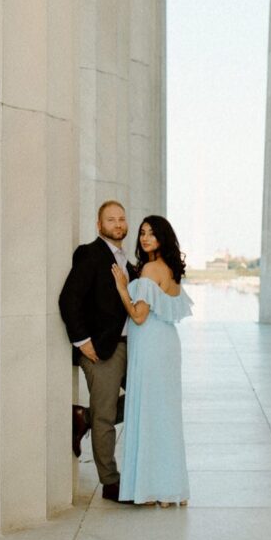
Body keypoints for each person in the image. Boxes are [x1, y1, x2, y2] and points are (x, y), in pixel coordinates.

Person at [112, 215, 193, 507]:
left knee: (148, 413)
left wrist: (123, 287)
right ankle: (171, 489)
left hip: (150, 347)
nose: (145, 238)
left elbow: (138, 315)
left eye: (152, 234)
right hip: (167, 345)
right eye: (143, 233)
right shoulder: (171, 269)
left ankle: (148, 489)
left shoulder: (149, 269)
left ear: (163, 238)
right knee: (165, 415)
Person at [58, 200, 136, 502]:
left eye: (121, 219)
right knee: (106, 417)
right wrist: (82, 341)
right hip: (103, 350)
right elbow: (69, 299)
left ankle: (84, 417)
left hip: (131, 347)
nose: (117, 224)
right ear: (99, 225)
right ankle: (111, 483)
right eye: (111, 219)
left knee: (146, 398)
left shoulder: (128, 262)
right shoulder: (91, 255)